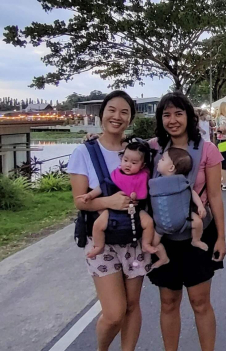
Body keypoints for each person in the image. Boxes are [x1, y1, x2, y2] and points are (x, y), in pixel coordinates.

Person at [68, 90, 149, 351]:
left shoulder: (136, 149)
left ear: (131, 119)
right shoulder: (84, 151)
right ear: (101, 114)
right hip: (102, 238)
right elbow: (80, 200)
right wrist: (108, 202)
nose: (117, 116)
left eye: (124, 112)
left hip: (134, 238)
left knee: (133, 305)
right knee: (114, 313)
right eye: (112, 110)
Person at [147, 92, 226, 351]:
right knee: (168, 301)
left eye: (178, 113)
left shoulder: (208, 149)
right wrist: (92, 139)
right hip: (164, 236)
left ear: (189, 117)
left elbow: (214, 195)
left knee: (200, 301)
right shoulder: (154, 149)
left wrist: (222, 237)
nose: (173, 120)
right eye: (166, 114)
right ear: (160, 119)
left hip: (199, 233)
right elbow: (122, 156)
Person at [78, 140, 156, 261]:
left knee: (148, 222)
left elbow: (142, 195)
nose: (128, 165)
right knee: (98, 225)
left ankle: (146, 244)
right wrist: (90, 195)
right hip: (112, 210)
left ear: (142, 165)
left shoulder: (143, 176)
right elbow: (103, 187)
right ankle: (99, 245)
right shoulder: (116, 174)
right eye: (125, 160)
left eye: (134, 162)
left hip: (134, 210)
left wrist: (135, 197)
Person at [153, 147, 209, 252]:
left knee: (197, 222)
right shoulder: (155, 181)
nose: (159, 160)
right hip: (161, 223)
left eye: (163, 159)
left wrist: (200, 206)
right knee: (153, 244)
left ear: (171, 168)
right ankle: (163, 258)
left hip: (183, 216)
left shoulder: (181, 180)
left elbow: (192, 192)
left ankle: (196, 240)